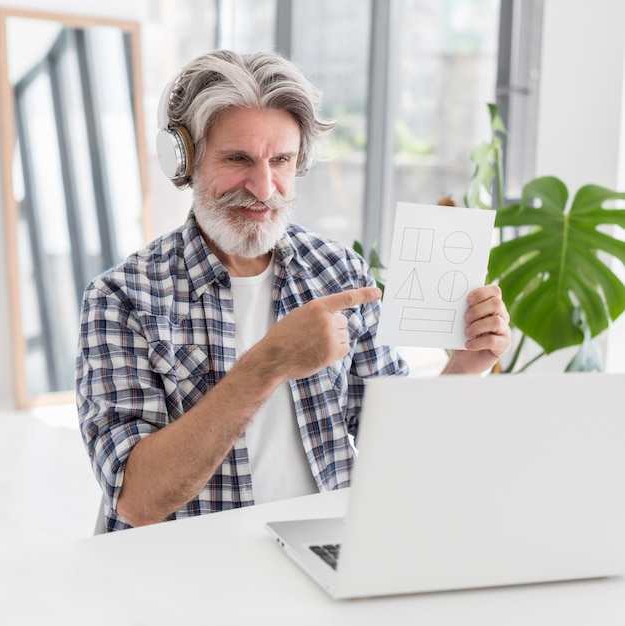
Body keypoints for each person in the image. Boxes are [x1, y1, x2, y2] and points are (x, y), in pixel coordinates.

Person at [76, 50, 511, 532]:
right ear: (184, 160)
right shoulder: (122, 298)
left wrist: (464, 367)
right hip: (194, 574)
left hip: (326, 549)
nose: (264, 188)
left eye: (280, 160)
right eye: (237, 159)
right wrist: (269, 363)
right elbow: (138, 501)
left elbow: (396, 451)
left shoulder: (339, 272)